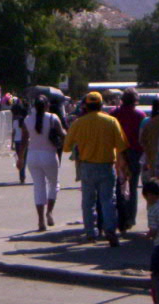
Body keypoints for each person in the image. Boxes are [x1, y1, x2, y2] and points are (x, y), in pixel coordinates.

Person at [61, 91, 129, 246]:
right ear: (101, 105)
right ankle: (110, 230)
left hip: (87, 166)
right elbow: (121, 146)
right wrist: (123, 167)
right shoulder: (111, 121)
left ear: (85, 106)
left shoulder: (79, 123)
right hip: (106, 165)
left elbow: (66, 147)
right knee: (108, 200)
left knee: (88, 202)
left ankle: (90, 233)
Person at [21, 94, 63, 231]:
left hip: (32, 156)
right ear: (47, 106)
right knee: (53, 184)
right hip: (49, 155)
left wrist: (20, 158)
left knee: (38, 187)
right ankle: (49, 212)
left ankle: (40, 221)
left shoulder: (28, 119)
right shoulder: (53, 118)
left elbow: (23, 140)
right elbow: (63, 134)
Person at [110, 88, 146, 232]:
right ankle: (131, 218)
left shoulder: (114, 113)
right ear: (135, 101)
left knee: (118, 185)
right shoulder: (140, 115)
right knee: (133, 186)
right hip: (135, 153)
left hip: (118, 152)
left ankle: (120, 217)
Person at [11, 104, 27, 184]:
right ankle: (23, 175)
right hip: (25, 141)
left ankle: (21, 176)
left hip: (17, 142)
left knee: (20, 158)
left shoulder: (15, 121)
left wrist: (12, 144)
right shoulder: (25, 121)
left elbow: (13, 133)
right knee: (25, 159)